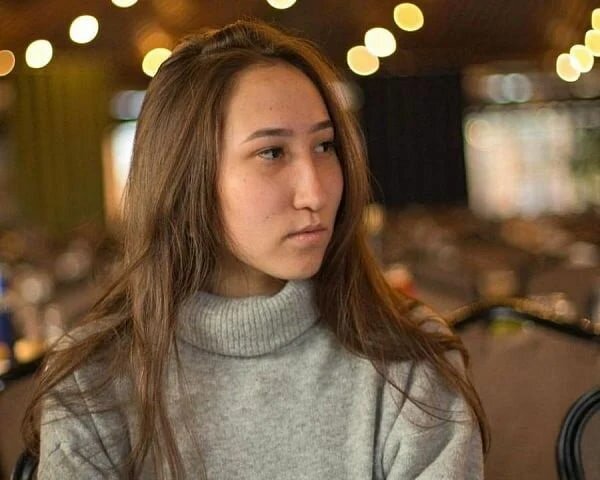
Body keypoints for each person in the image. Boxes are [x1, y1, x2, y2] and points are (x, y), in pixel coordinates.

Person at [23, 19, 488, 479]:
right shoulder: (95, 377)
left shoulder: (407, 355)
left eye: (325, 146)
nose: (315, 192)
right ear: (186, 177)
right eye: (272, 153)